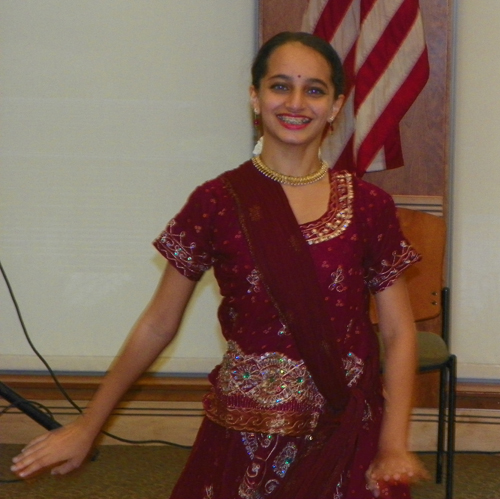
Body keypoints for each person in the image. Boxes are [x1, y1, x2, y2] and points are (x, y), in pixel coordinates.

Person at [11, 31, 428, 498]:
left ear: (335, 106)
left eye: (314, 89)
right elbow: (157, 324)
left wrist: (393, 443)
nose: (296, 102)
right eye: (279, 86)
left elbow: (397, 332)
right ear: (255, 97)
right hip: (241, 438)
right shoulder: (216, 202)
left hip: (347, 433)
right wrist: (89, 425)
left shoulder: (368, 205)